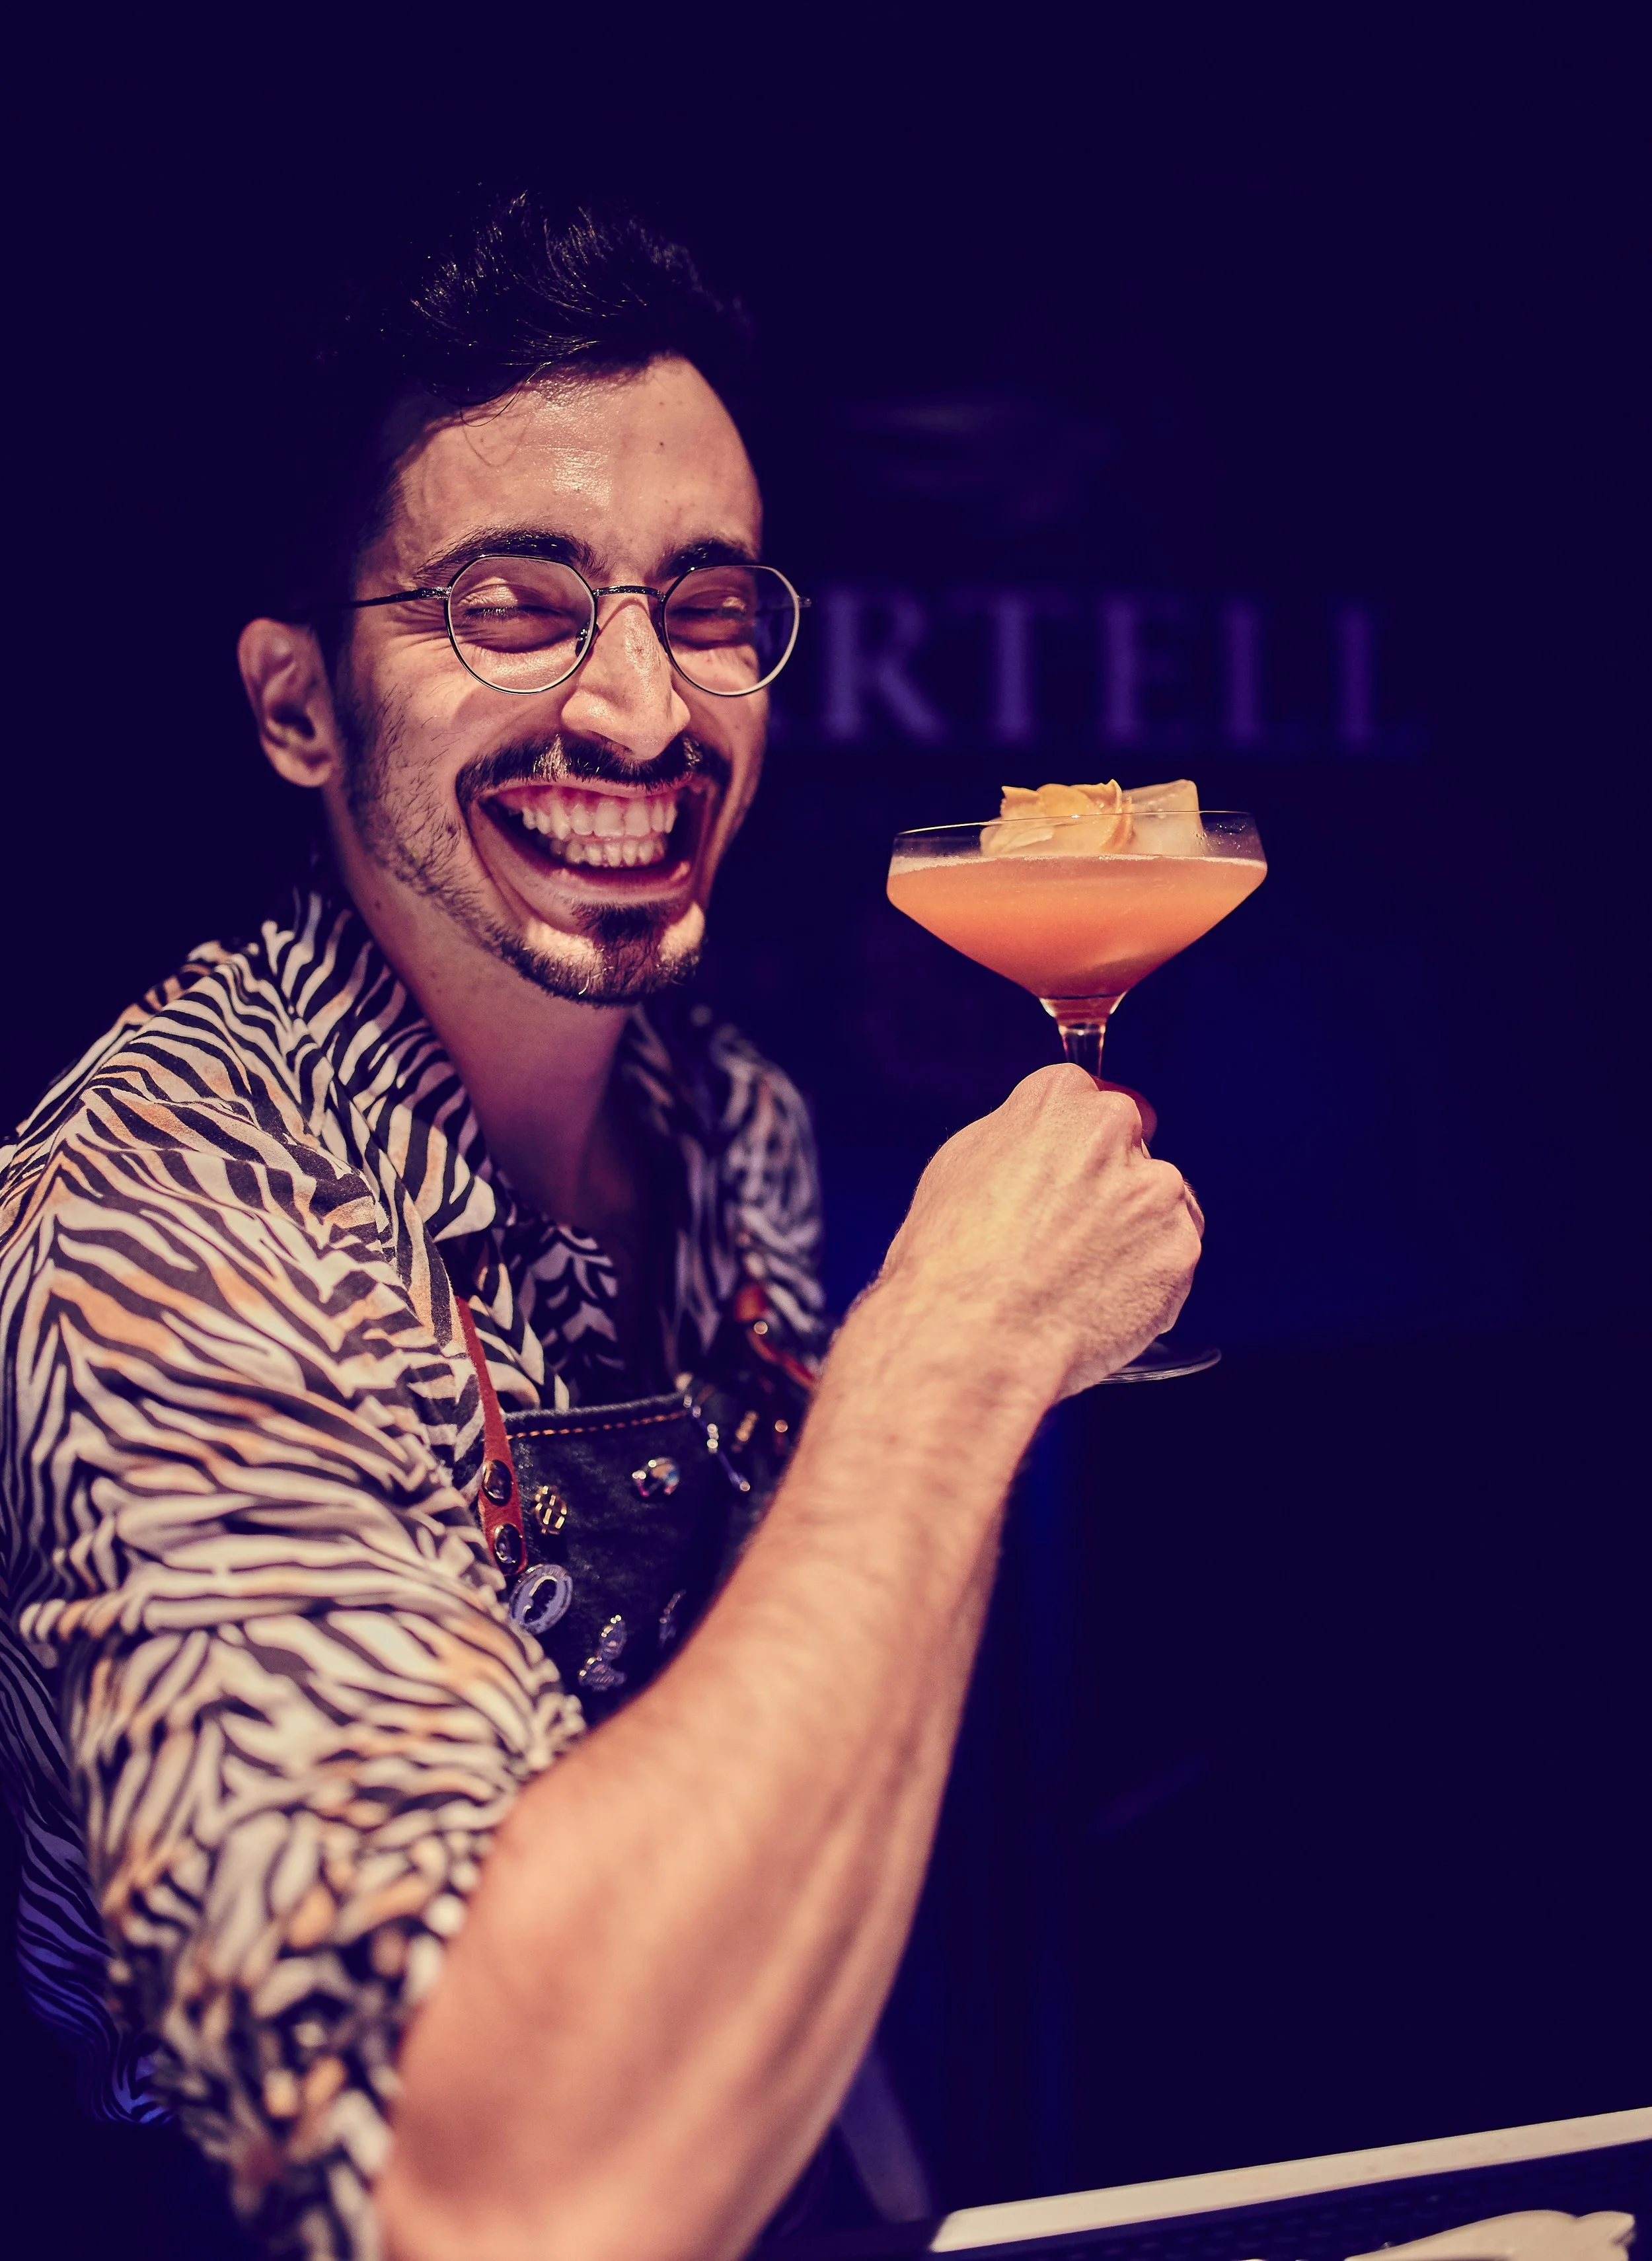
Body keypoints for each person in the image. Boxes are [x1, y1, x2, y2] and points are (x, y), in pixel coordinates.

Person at [0, 195, 1203, 2261]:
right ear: (300, 708)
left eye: (708, 606)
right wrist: (956, 1344)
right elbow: (509, 2203)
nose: (645, 714)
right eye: (512, 604)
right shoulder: (159, 1214)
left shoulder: (723, 1107)